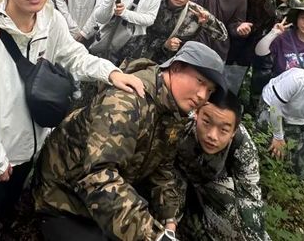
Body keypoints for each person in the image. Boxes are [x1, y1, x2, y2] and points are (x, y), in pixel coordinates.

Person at [0, 0, 145, 236]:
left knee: (12, 205)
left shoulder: (51, 20)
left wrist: (111, 72)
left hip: (33, 145)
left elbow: (74, 55)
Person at [33, 42, 228, 241]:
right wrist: (154, 236)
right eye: (200, 81)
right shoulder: (127, 100)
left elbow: (162, 168)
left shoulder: (174, 112)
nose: (202, 95)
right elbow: (98, 177)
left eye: (210, 91)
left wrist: (169, 220)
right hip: (65, 200)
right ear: (176, 68)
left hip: (106, 198)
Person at [176, 94, 269, 241]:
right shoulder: (180, 124)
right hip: (175, 176)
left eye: (223, 130)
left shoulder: (243, 146)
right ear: (196, 114)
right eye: (206, 122)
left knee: (235, 229)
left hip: (212, 183)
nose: (212, 136)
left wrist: (253, 235)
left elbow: (250, 198)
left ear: (233, 131)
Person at [120, 0, 227, 65]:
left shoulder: (195, 12)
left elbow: (222, 35)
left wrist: (207, 21)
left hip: (167, 65)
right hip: (135, 55)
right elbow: (138, 30)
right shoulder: (155, 2)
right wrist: (164, 44)